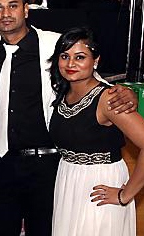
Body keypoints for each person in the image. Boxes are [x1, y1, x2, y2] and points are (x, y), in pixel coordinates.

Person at [0, 0, 137, 236]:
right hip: (2, 164)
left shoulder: (55, 45)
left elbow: (88, 74)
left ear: (26, 9)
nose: (6, 14)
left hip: (49, 166)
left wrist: (124, 94)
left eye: (13, 6)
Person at [48, 27, 144, 236]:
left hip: (99, 188)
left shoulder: (109, 98)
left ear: (96, 61)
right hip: (68, 182)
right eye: (65, 56)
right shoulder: (62, 93)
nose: (71, 64)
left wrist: (125, 195)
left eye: (80, 57)